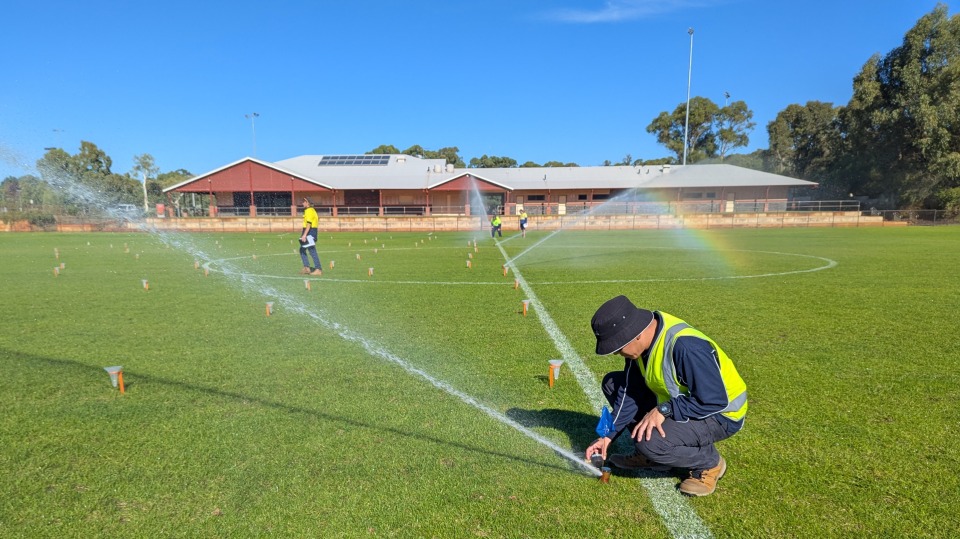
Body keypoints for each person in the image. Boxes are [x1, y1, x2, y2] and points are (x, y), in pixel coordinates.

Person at [584, 295, 747, 496]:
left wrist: (664, 409)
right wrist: (608, 436)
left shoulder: (686, 347)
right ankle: (651, 457)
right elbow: (629, 393)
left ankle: (709, 463)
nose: (618, 354)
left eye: (618, 348)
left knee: (650, 442)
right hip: (687, 405)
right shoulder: (641, 346)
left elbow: (714, 400)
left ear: (634, 334)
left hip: (721, 415)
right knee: (613, 384)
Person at [298, 197, 322, 275]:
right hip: (310, 231)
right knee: (302, 249)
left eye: (303, 201)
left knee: (312, 250)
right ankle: (307, 268)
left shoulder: (309, 211)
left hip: (309, 232)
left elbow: (309, 224)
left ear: (307, 203)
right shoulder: (311, 210)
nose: (302, 203)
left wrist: (304, 235)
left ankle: (318, 269)